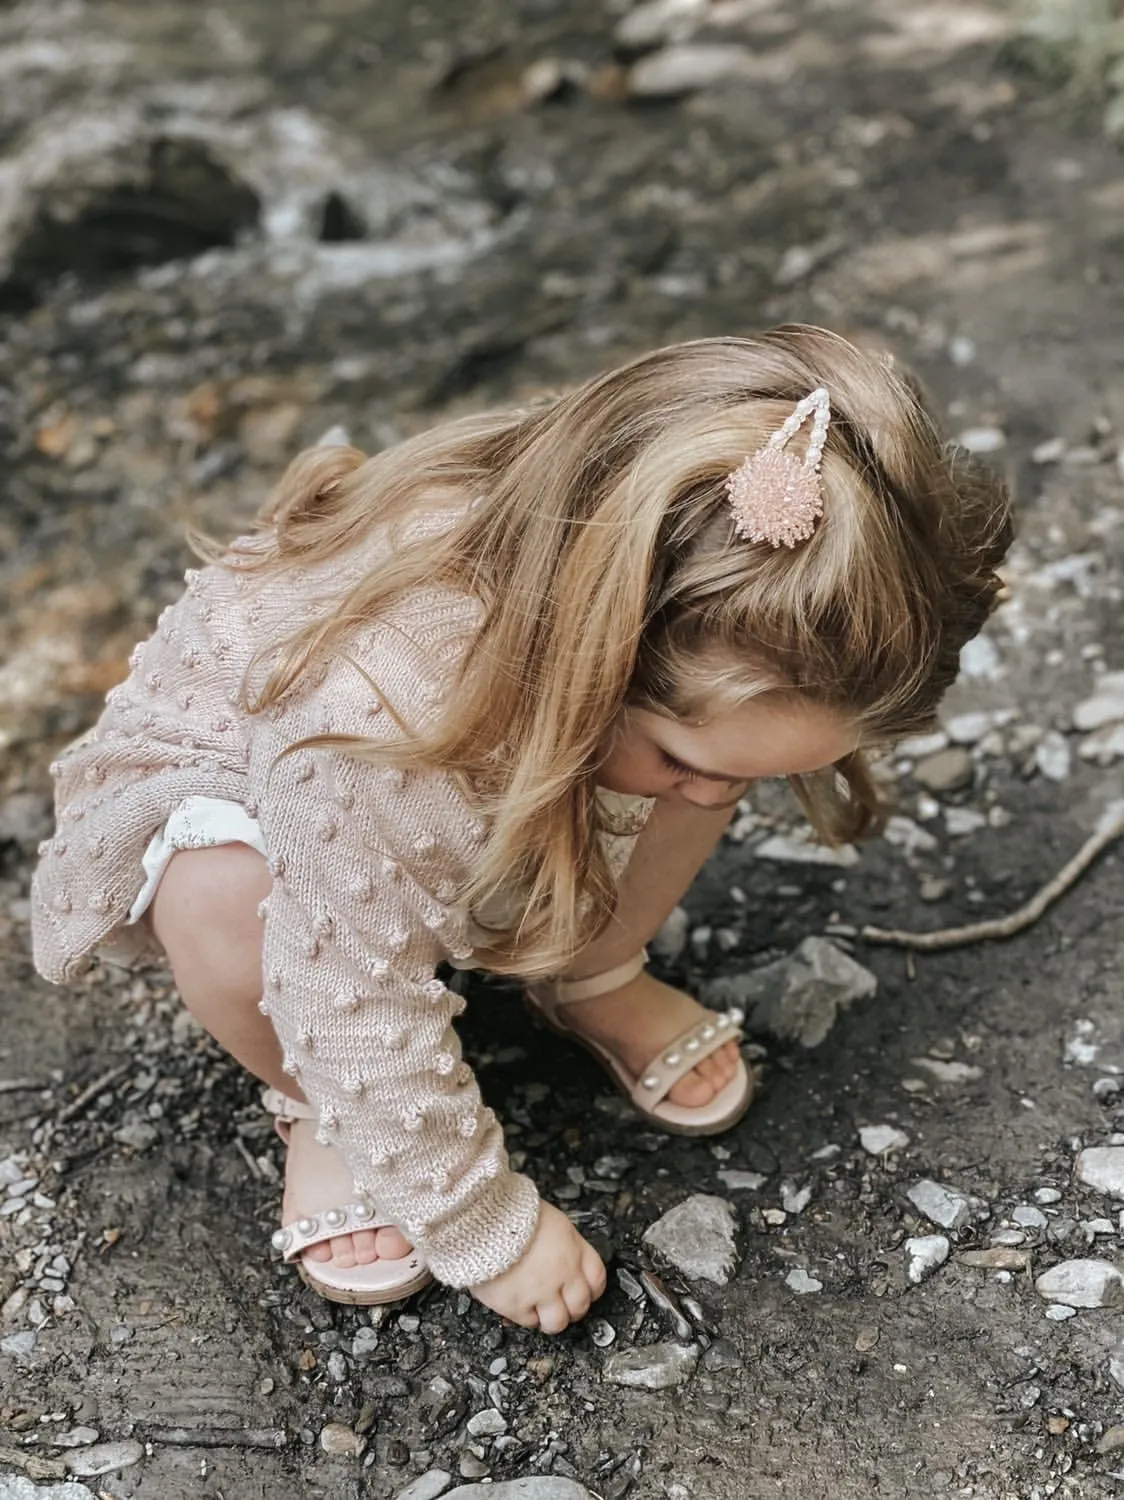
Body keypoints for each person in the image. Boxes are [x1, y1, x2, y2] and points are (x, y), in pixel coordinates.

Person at [31, 326, 1012, 1334]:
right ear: (599, 656)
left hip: (506, 748)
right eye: (695, 764)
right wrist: (479, 1221)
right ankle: (320, 1103)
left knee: (680, 776)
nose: (716, 802)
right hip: (265, 802)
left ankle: (591, 971)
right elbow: (348, 975)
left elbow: (691, 755)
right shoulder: (388, 703)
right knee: (230, 903)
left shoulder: (682, 589)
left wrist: (684, 778)